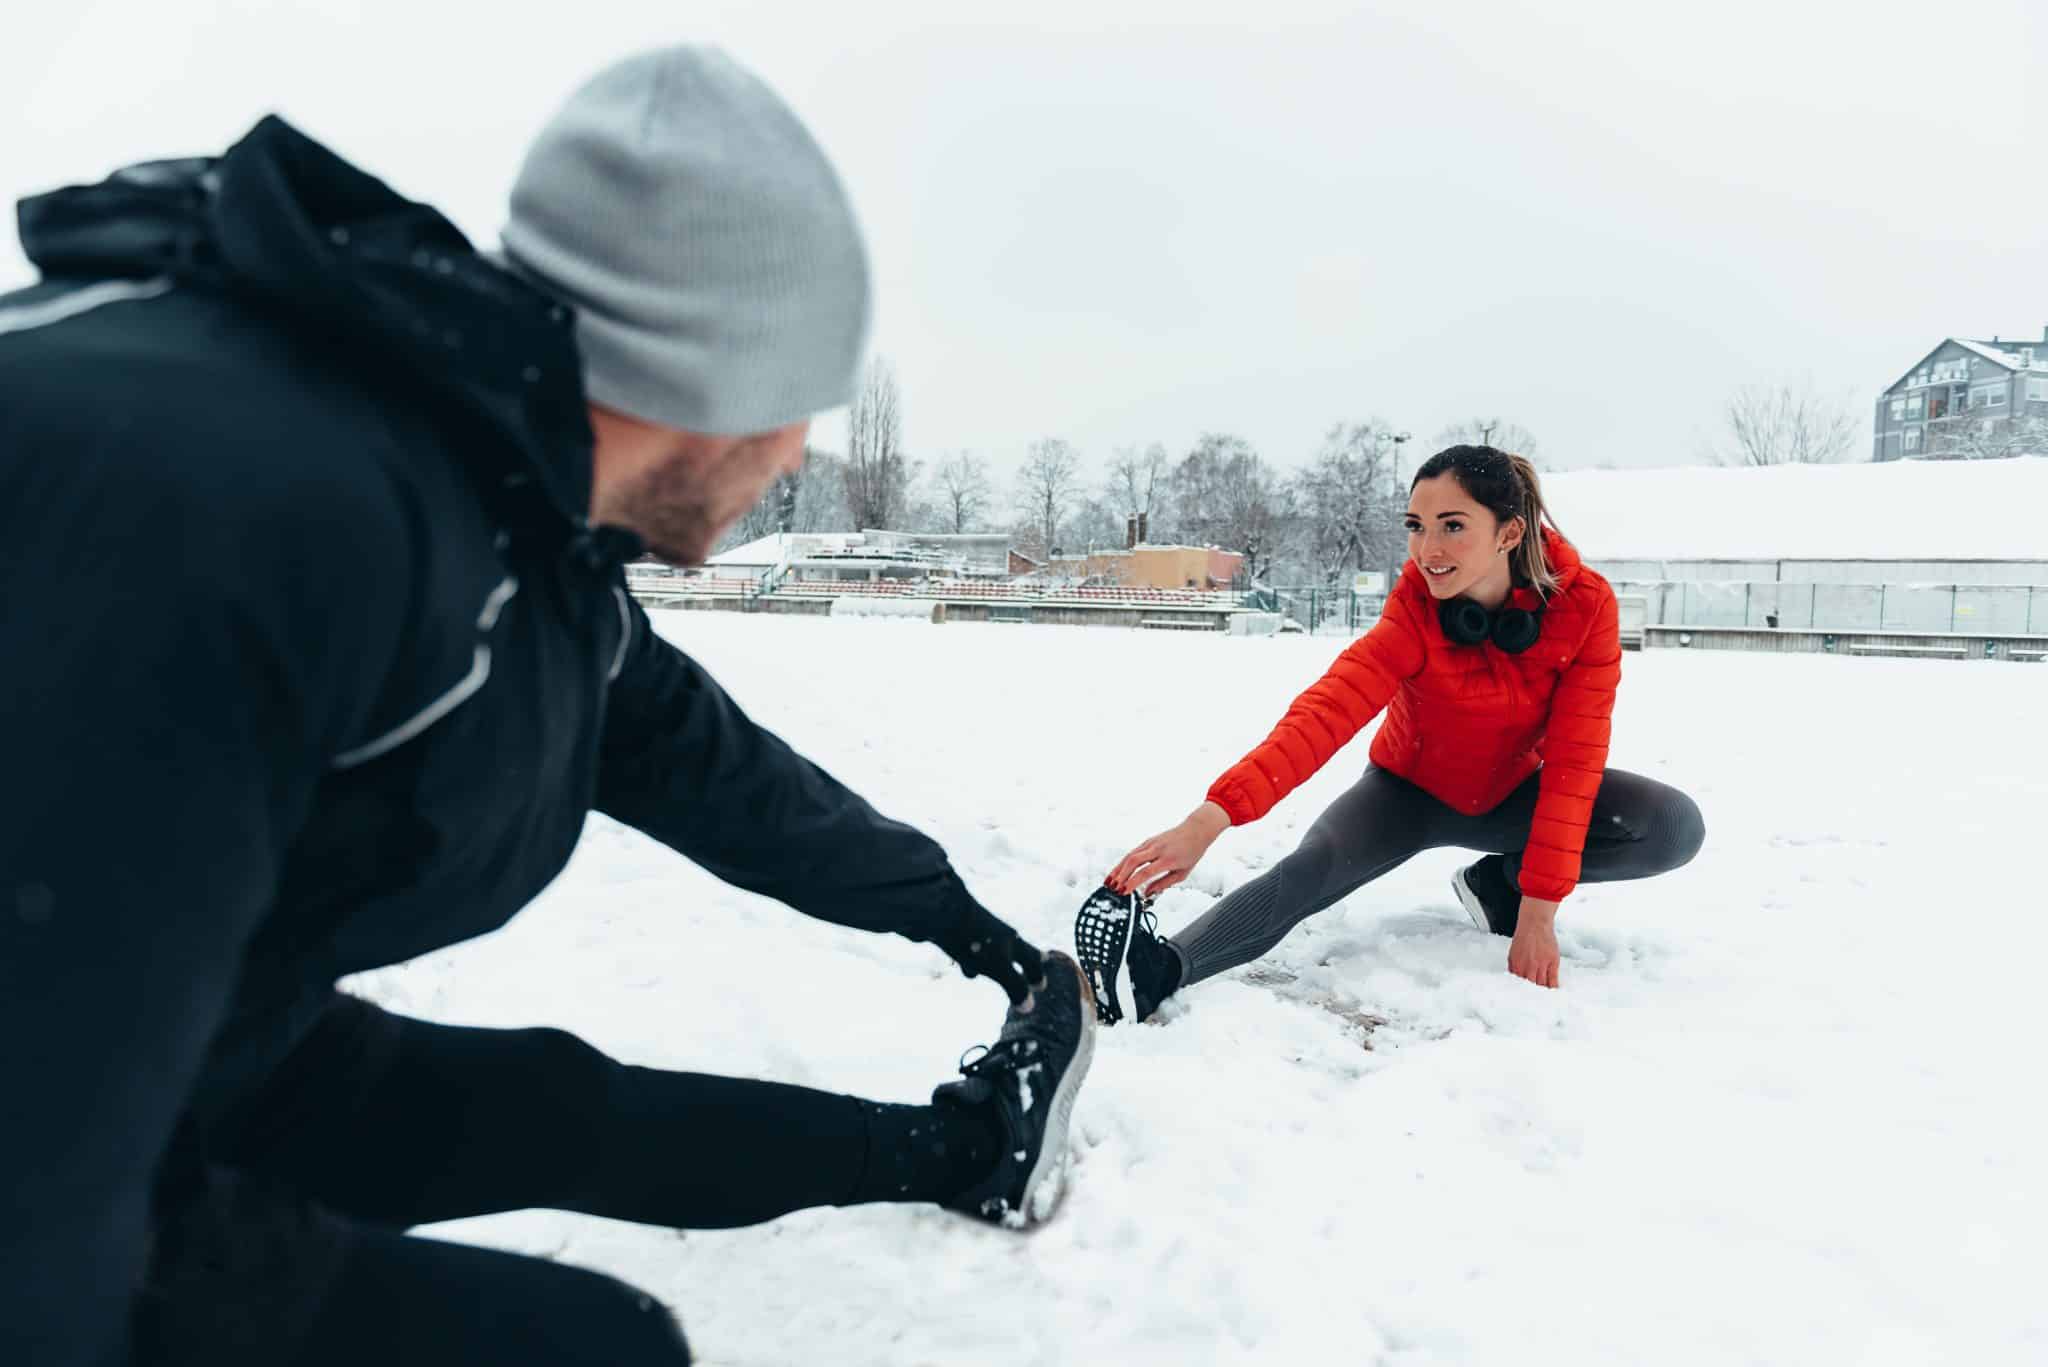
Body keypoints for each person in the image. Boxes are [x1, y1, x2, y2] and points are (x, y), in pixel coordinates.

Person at [0, 47, 1095, 1367]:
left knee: (549, 1103)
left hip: (177, 1033)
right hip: (54, 1119)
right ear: (710, 382)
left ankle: (969, 1152)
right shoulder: (253, 515)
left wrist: (941, 909)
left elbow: (692, 750)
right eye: (798, 403)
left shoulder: (492, 485)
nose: (803, 451)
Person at [1077, 445, 1704, 1023]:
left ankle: (1497, 885)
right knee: (1310, 870)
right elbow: (1324, 715)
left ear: (1510, 532)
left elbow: (1575, 760)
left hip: (1515, 796)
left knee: (1671, 824)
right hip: (1405, 794)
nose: (1428, 548)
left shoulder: (1585, 607)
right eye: (1415, 526)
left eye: (1452, 525)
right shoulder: (1413, 610)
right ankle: (1158, 971)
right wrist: (1207, 821)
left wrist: (1537, 912)